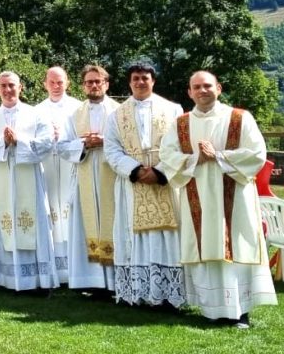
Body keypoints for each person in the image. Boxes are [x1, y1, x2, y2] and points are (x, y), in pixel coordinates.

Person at [159, 72, 277, 328]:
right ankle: (210, 309)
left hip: (234, 198)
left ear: (219, 88)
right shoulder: (181, 123)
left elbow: (257, 154)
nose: (202, 90)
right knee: (206, 250)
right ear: (189, 92)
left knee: (235, 249)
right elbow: (166, 155)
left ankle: (240, 311)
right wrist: (195, 159)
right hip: (196, 196)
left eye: (207, 86)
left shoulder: (239, 117)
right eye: (196, 87)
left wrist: (219, 156)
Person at [103, 60, 186, 309]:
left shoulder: (173, 109)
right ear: (129, 82)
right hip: (132, 185)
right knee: (132, 235)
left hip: (165, 183)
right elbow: (112, 149)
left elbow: (182, 144)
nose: (140, 82)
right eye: (135, 78)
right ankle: (137, 293)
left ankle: (169, 296)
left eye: (145, 78)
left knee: (167, 237)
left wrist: (159, 172)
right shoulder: (116, 115)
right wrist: (136, 170)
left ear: (153, 80)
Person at [0, 72, 60, 292]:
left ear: (20, 87)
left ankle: (37, 281)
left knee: (33, 223)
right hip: (1, 178)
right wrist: (3, 143)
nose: (7, 90)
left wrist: (19, 141)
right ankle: (5, 279)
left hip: (29, 177)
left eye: (11, 85)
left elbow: (46, 143)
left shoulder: (36, 115)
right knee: (4, 223)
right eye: (2, 86)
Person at [57, 65, 120, 293]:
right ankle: (90, 281)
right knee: (85, 225)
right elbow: (62, 147)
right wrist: (83, 144)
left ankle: (114, 281)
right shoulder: (74, 115)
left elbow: (128, 145)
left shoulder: (119, 111)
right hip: (84, 173)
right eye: (89, 82)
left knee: (113, 224)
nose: (94, 85)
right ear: (83, 85)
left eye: (98, 81)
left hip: (111, 176)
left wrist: (104, 141)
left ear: (106, 84)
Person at [34, 66, 81, 285]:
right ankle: (54, 265)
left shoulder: (78, 108)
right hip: (47, 167)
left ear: (67, 83)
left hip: (70, 164)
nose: (55, 86)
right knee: (50, 209)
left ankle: (74, 267)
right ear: (44, 84)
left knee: (70, 210)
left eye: (60, 82)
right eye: (51, 82)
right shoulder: (36, 110)